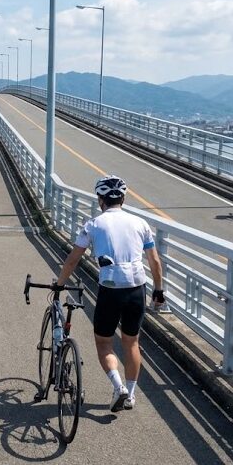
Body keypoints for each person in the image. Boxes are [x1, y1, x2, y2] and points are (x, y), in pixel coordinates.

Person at [55, 175, 165, 413]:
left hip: (110, 289)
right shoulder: (140, 223)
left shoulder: (93, 225)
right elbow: (154, 261)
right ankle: (131, 394)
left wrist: (60, 284)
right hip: (137, 288)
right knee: (132, 342)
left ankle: (118, 387)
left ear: (100, 200)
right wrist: (158, 289)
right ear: (123, 198)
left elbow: (73, 259)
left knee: (104, 343)